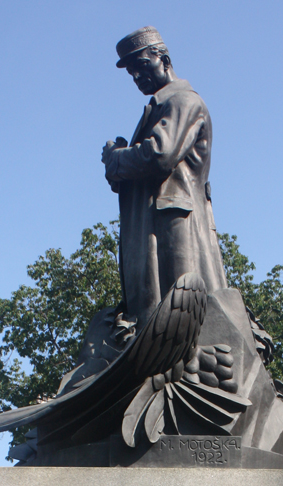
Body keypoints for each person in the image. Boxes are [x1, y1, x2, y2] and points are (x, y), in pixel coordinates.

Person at [102, 26, 227, 326]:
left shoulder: (182, 101)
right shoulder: (160, 107)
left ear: (165, 61)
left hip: (174, 228)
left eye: (142, 66)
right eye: (131, 72)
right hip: (155, 227)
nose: (137, 77)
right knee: (158, 322)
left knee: (180, 320)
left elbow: (160, 154)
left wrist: (116, 159)